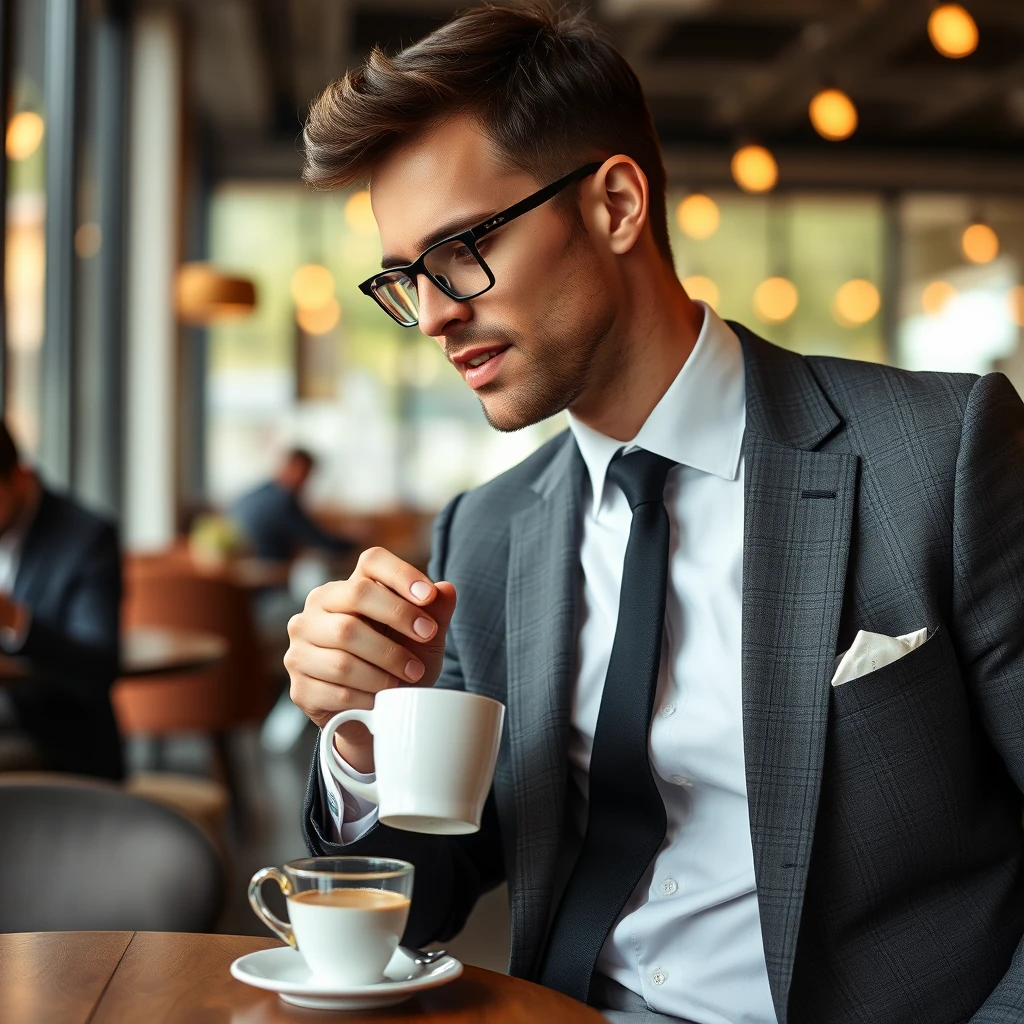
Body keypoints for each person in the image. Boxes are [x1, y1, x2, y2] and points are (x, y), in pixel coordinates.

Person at [284, 5, 1024, 1023]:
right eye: (406, 278)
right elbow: (422, 903)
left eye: (459, 249)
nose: (437, 313)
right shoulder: (487, 535)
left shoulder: (935, 457)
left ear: (617, 204)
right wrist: (361, 752)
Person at [0, 422, 123, 779]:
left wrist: (13, 619)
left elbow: (99, 663)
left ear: (21, 478)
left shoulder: (86, 539)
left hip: (52, 740)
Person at [229, 448, 354, 562]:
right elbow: (317, 539)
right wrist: (354, 544)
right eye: (305, 473)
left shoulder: (252, 495)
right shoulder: (283, 502)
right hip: (271, 576)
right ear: (294, 468)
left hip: (238, 577)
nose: (306, 481)